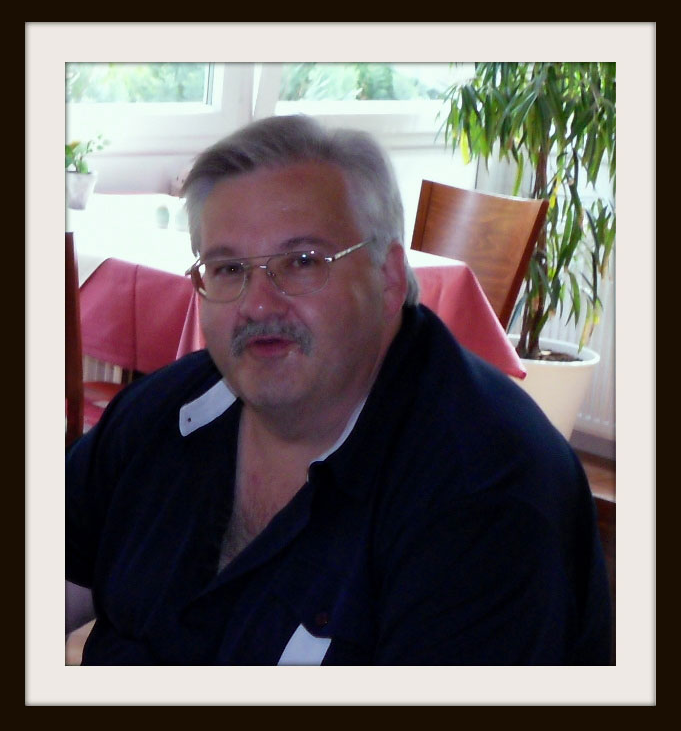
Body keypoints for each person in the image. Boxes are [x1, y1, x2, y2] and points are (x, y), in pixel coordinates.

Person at [66, 114, 611, 665]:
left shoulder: (486, 497)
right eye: (228, 268)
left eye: (302, 262)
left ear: (388, 277)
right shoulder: (166, 412)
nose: (257, 303)